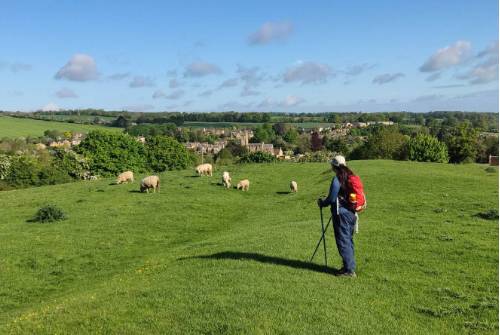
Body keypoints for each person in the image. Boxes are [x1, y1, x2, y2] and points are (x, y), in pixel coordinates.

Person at [317, 155, 357, 277]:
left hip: (341, 215)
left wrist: (322, 203)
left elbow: (331, 198)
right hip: (351, 213)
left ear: (334, 166)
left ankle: (349, 271)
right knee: (348, 240)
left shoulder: (337, 179)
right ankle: (348, 267)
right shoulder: (350, 176)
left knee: (343, 241)